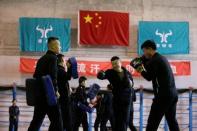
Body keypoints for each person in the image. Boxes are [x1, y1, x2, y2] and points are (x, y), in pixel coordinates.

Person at [135, 40, 180, 131]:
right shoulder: (161, 58)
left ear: (150, 49)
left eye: (144, 51)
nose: (144, 54)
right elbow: (149, 67)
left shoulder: (155, 60)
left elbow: (149, 76)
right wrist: (143, 61)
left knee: (152, 122)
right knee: (172, 121)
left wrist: (139, 68)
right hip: (173, 94)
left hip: (163, 95)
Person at [28, 37, 63, 131]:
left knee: (36, 122)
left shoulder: (41, 59)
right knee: (58, 123)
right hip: (50, 95)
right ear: (52, 46)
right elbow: (53, 77)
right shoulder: (53, 58)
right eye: (58, 45)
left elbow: (35, 75)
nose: (60, 47)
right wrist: (56, 91)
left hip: (40, 97)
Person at [97, 56, 135, 131]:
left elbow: (132, 84)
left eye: (116, 63)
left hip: (127, 101)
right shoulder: (110, 72)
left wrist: (131, 83)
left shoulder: (127, 73)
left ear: (120, 63)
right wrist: (100, 74)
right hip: (117, 100)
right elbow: (102, 76)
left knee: (125, 121)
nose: (115, 65)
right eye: (113, 64)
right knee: (117, 121)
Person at [57, 54, 73, 131]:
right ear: (61, 61)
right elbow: (68, 77)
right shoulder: (60, 70)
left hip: (62, 98)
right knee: (66, 118)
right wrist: (69, 67)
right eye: (64, 60)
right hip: (63, 99)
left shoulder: (59, 70)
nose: (65, 62)